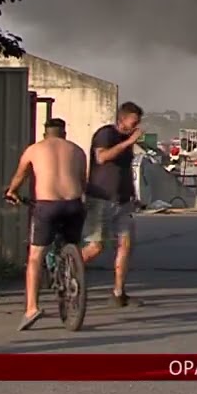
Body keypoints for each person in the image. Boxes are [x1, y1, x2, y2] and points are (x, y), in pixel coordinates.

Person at [3, 117, 87, 331]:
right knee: (73, 244)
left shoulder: (34, 149)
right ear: (64, 133)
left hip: (47, 207)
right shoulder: (77, 151)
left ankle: (32, 308)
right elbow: (82, 181)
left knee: (34, 257)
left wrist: (12, 192)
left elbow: (20, 176)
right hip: (74, 205)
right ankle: (73, 270)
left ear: (45, 134)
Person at [82, 101, 144, 307]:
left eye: (138, 123)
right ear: (122, 119)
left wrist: (134, 195)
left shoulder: (127, 140)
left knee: (126, 244)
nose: (135, 126)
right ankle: (68, 267)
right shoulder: (106, 134)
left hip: (123, 200)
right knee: (96, 247)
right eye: (133, 122)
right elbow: (102, 158)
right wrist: (128, 143)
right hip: (101, 199)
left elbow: (125, 170)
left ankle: (119, 292)